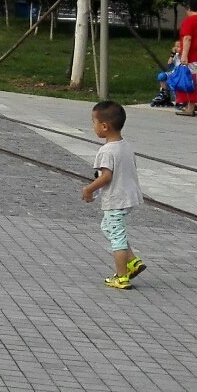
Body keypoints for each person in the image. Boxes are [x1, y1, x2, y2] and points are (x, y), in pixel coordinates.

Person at [80, 100, 146, 290]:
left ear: (104, 126)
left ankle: (122, 276)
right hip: (129, 196)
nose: (93, 126)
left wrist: (89, 189)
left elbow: (106, 176)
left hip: (116, 199)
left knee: (117, 238)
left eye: (93, 122)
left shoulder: (106, 151)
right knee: (107, 227)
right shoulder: (126, 146)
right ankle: (133, 261)